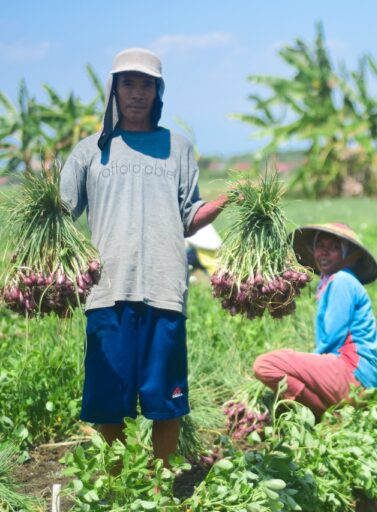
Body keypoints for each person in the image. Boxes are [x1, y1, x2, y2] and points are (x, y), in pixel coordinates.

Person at [60, 48, 231, 465]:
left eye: (146, 85)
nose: (137, 93)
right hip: (107, 290)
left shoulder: (177, 148)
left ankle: (159, 483)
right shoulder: (90, 151)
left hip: (164, 288)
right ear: (114, 90)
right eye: (128, 84)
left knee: (166, 399)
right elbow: (62, 212)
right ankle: (120, 482)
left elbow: (189, 217)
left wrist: (226, 201)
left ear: (158, 91)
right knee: (108, 400)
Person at [252, 223, 377, 420]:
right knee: (285, 377)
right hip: (357, 378)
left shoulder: (341, 281)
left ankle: (324, 416)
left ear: (347, 254)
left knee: (265, 365)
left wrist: (309, 364)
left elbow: (333, 337)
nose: (325, 252)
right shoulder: (334, 281)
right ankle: (331, 416)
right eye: (320, 246)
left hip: (352, 373)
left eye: (334, 247)